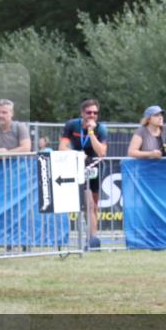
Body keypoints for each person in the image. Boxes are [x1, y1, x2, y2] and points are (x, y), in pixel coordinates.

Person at [60, 99, 109, 248]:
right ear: (82, 113)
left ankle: (92, 239)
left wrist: (91, 132)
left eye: (95, 112)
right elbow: (62, 148)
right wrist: (77, 154)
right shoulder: (71, 125)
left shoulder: (101, 129)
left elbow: (101, 152)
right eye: (89, 112)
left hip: (95, 167)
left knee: (93, 205)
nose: (92, 115)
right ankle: (92, 239)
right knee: (88, 203)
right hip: (77, 167)